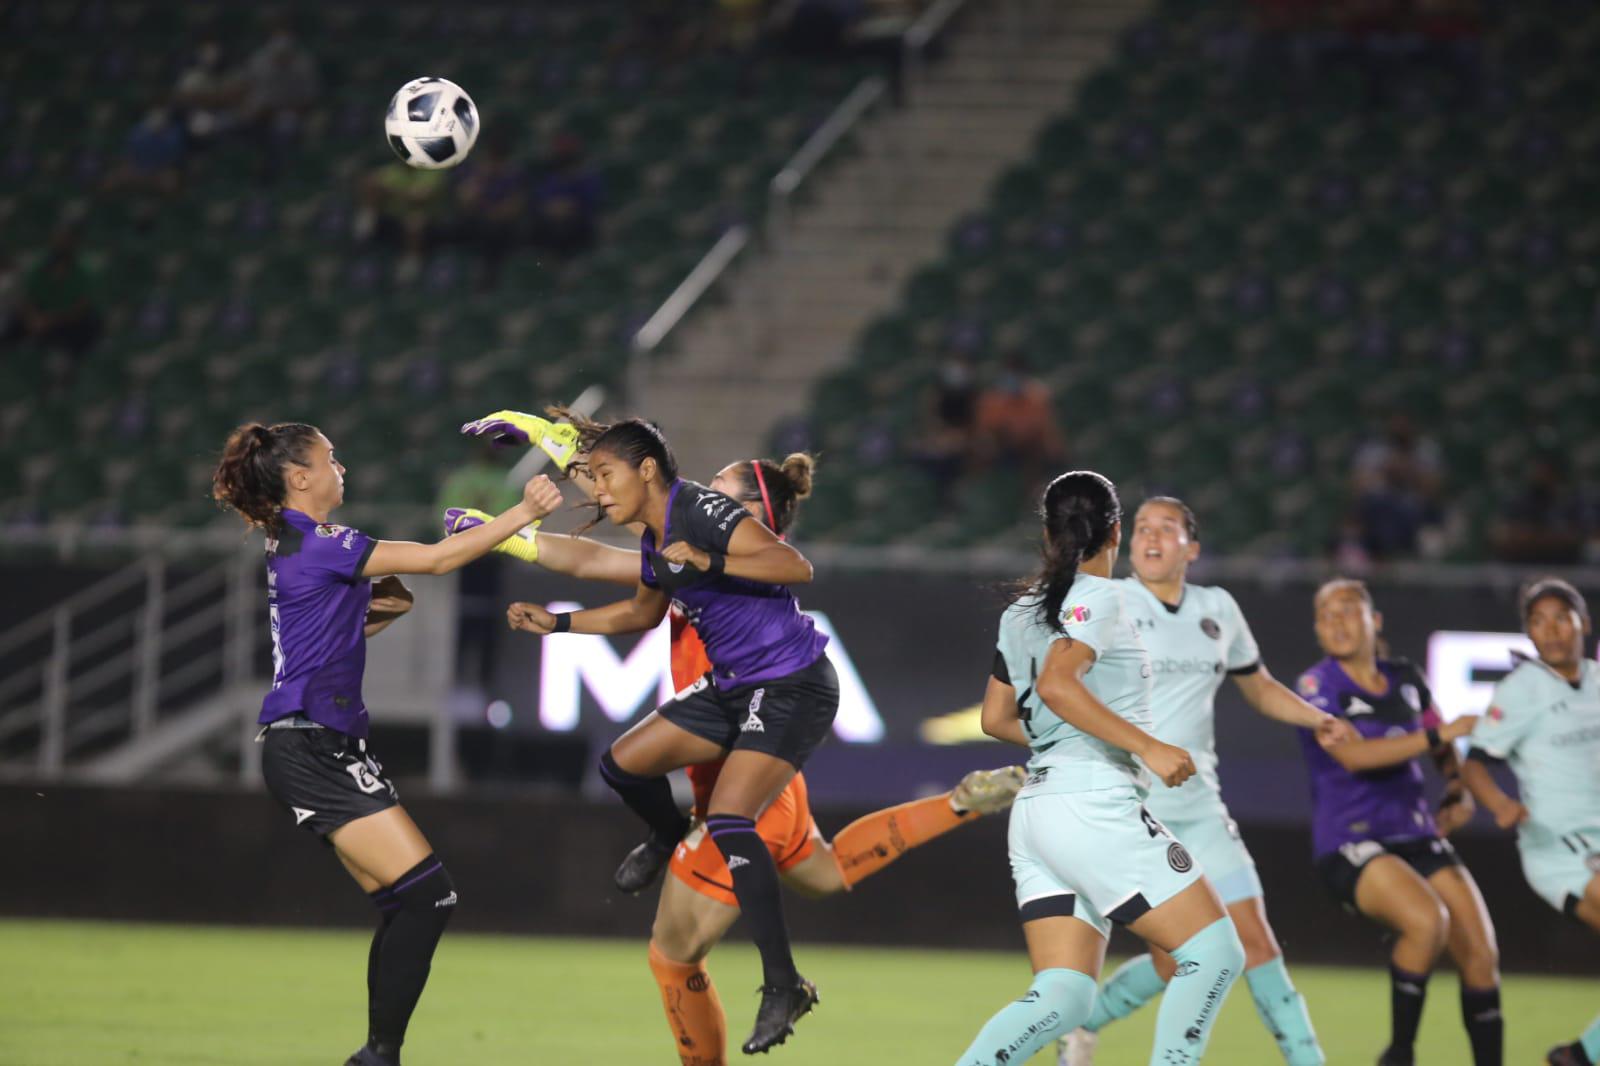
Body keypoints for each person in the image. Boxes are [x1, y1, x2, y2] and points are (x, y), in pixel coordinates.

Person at [442, 423, 1023, 1065]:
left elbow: (645, 507)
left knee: (675, 949)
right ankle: (959, 802)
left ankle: (779, 985)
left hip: (764, 722)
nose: (709, 487)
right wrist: (522, 525)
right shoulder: (670, 538)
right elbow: (608, 525)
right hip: (741, 718)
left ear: (750, 517)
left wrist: (525, 520)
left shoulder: (707, 535)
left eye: (724, 490)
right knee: (814, 868)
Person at [462, 407, 837, 1053]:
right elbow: (641, 612)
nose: (596, 490)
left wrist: (711, 560)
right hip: (734, 686)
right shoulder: (653, 534)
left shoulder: (702, 513)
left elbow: (795, 568)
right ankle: (666, 834)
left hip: (792, 685)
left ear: (646, 470)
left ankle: (784, 984)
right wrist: (558, 627)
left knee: (729, 820)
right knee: (622, 763)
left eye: (605, 476)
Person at [210, 420, 564, 1066]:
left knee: (411, 903)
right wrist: (523, 512)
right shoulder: (320, 542)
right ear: (299, 478)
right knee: (431, 895)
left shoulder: (294, 542)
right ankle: (378, 1056)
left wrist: (363, 614)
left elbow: (325, 633)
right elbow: (435, 559)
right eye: (330, 458)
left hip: (321, 744)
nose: (340, 467)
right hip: (312, 747)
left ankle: (378, 1056)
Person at [957, 470, 1245, 1066]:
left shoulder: (1023, 611)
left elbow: (995, 716)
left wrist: (1057, 739)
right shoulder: (1103, 597)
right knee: (1215, 953)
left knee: (1062, 996)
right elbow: (1060, 685)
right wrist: (1148, 747)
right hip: (1092, 803)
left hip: (1039, 811)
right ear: (1115, 530)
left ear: (1047, 533)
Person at [1060, 497, 1353, 1066]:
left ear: (1191, 548)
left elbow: (1259, 685)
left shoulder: (1219, 607)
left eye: (1167, 528)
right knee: (1177, 960)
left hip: (1200, 805)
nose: (1151, 536)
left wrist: (1316, 717)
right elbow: (1064, 686)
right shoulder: (1109, 602)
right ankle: (1084, 1020)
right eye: (1142, 527)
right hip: (1134, 809)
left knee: (1256, 945)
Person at [1295, 578, 1497, 1066]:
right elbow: (1357, 757)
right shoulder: (1316, 687)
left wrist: (1456, 788)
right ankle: (1399, 1054)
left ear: (1374, 621)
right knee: (1427, 922)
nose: (1336, 622)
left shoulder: (1404, 677)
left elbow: (1441, 742)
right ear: (1318, 631)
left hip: (1417, 832)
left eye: (1347, 610)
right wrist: (1438, 737)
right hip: (1351, 841)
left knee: (1482, 956)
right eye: (1326, 616)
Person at [1459, 578, 1600, 1066]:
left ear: (1583, 622)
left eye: (1562, 617)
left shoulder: (1597, 681)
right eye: (1538, 621)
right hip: (1558, 847)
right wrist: (1499, 803)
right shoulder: (1520, 690)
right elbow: (1475, 761)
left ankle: (1580, 1056)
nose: (1552, 630)